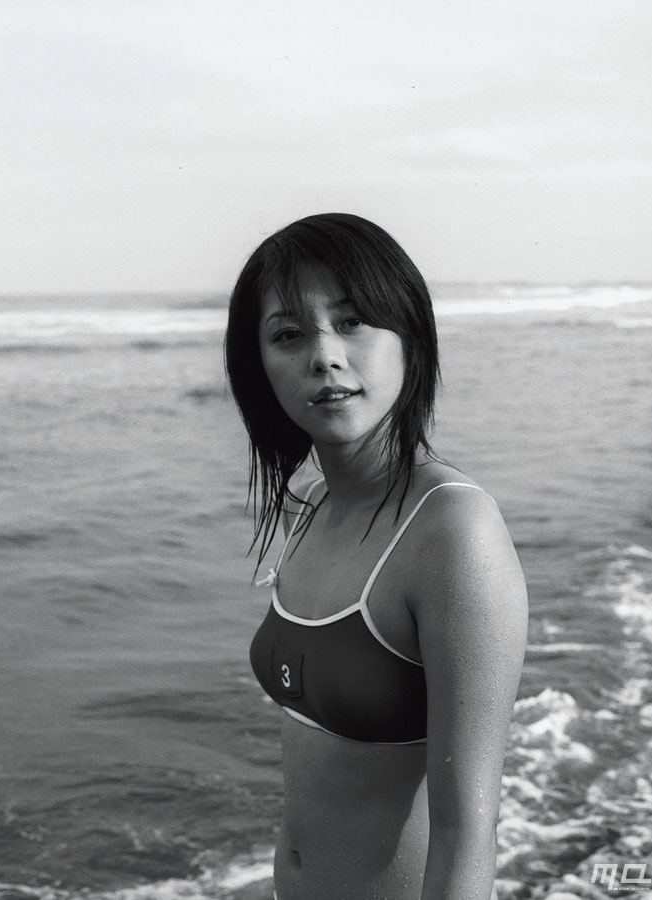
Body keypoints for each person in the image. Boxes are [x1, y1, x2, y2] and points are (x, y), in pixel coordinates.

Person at [225, 212, 528, 900]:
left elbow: (467, 830)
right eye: (288, 334)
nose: (325, 356)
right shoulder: (310, 507)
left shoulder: (452, 530)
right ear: (258, 365)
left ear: (410, 337)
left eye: (353, 321)